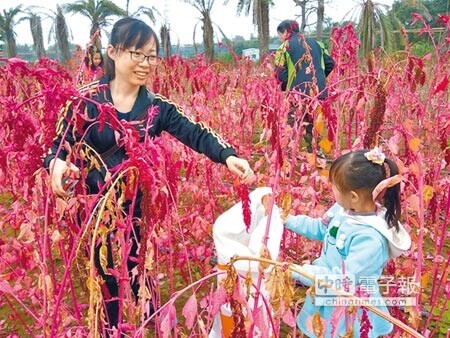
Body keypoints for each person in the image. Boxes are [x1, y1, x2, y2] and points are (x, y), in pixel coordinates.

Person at [43, 17, 254, 336]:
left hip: (138, 207)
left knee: (141, 268)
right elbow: (57, 145)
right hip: (95, 209)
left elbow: (196, 132)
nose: (145, 63)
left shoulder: (157, 108)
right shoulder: (84, 102)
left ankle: (153, 324)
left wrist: (228, 155)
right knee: (104, 277)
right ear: (112, 52)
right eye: (136, 54)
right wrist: (57, 165)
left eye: (151, 55)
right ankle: (108, 328)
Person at [283, 147, 411, 337]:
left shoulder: (369, 239)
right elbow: (321, 228)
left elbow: (345, 280)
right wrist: (287, 219)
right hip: (325, 289)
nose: (331, 190)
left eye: (334, 186)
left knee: (339, 332)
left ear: (353, 196)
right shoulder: (343, 210)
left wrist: (303, 272)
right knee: (320, 329)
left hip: (348, 306)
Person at [274, 19, 335, 152]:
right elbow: (330, 63)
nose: (280, 38)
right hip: (318, 92)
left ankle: (290, 156)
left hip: (297, 93)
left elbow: (279, 73)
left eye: (280, 34)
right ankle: (316, 154)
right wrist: (319, 79)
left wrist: (287, 88)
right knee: (314, 124)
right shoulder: (318, 44)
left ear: (285, 32)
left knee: (292, 124)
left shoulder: (284, 47)